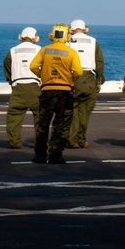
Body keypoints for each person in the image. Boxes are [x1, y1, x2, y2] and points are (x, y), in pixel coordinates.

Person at [29, 24, 83, 164]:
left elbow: (33, 66)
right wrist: (70, 78)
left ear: (52, 35)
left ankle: (39, 155)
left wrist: (43, 75)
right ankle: (55, 154)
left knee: (43, 124)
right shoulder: (71, 52)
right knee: (62, 125)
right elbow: (78, 72)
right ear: (67, 36)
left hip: (47, 91)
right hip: (64, 92)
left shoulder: (45, 50)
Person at [67, 19, 105, 149]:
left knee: (73, 110)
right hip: (88, 79)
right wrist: (99, 79)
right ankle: (81, 139)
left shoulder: (68, 42)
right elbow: (99, 62)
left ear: (71, 29)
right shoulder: (93, 41)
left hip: (72, 78)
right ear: (84, 29)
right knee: (85, 112)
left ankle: (72, 139)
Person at [3, 27, 42, 149]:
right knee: (40, 116)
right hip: (35, 87)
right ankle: (39, 141)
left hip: (18, 87)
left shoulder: (13, 51)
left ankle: (15, 142)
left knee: (14, 116)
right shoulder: (40, 50)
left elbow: (7, 68)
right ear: (34, 37)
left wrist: (11, 81)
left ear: (21, 36)